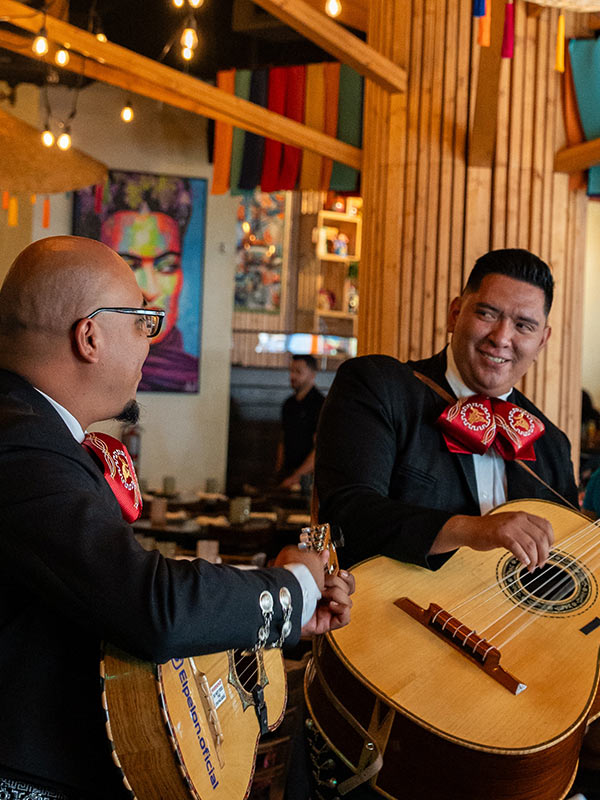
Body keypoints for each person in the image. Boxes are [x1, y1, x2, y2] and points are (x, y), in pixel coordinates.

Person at [0, 236, 354, 800]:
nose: (151, 340)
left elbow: (109, 589)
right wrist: (294, 590)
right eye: (143, 320)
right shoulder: (21, 445)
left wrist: (282, 593)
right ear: (89, 336)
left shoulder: (31, 429)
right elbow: (149, 605)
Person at [313, 248, 584, 798]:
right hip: (384, 670)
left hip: (505, 698)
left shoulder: (551, 446)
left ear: (544, 339)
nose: (502, 336)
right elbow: (349, 511)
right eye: (488, 313)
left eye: (524, 324)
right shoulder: (380, 386)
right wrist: (473, 529)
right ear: (456, 311)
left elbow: (562, 571)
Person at [276, 354, 325, 491]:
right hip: (287, 474)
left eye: (298, 372)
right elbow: (283, 440)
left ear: (312, 374)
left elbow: (320, 449)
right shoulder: (288, 404)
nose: (293, 376)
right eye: (291, 371)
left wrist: (296, 476)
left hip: (309, 480)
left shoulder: (321, 405)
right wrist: (279, 472)